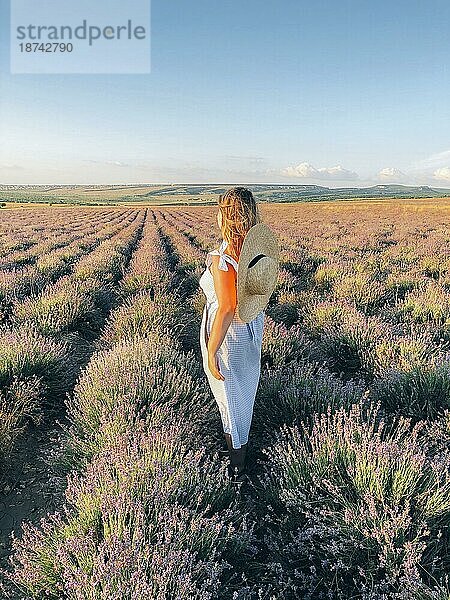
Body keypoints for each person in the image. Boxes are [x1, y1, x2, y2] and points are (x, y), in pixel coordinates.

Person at [199, 187, 279, 485]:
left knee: (229, 396)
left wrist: (210, 351)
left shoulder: (224, 257)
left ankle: (237, 468)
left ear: (227, 216)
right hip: (250, 328)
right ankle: (241, 452)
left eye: (221, 210)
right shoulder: (254, 252)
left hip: (228, 337)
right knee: (243, 392)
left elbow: (227, 307)